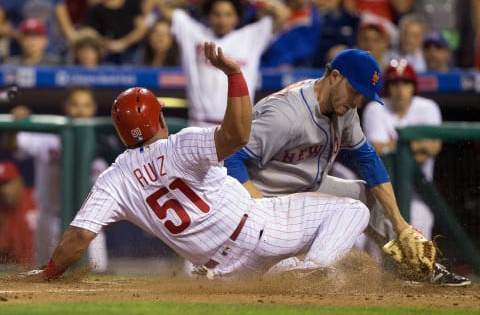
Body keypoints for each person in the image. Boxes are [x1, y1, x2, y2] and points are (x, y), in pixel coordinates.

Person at [21, 42, 370, 282]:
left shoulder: (115, 178)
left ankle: (298, 272)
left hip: (227, 269)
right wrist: (235, 75)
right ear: (159, 118)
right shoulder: (181, 144)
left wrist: (50, 272)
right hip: (260, 229)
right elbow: (237, 135)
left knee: (285, 269)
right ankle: (311, 271)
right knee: (354, 211)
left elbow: (79, 236)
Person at [223, 48, 471, 286]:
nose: (357, 101)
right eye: (354, 91)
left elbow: (367, 158)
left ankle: (420, 267)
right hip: (262, 197)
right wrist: (261, 210)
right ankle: (302, 271)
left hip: (306, 186)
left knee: (365, 197)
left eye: (362, 96)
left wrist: (400, 224)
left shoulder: (343, 107)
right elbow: (230, 157)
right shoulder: (286, 116)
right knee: (254, 270)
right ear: (334, 76)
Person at [157, 0, 290, 126]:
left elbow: (283, 14)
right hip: (200, 125)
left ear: (237, 17)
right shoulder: (193, 33)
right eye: (216, 14)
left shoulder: (250, 36)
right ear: (208, 15)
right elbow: (163, 5)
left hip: (238, 127)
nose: (222, 20)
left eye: (228, 14)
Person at [11, 86, 109, 273]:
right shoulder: (49, 137)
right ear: (65, 106)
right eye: (75, 104)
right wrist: (16, 125)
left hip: (89, 221)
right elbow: (13, 144)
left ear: (94, 108)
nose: (80, 110)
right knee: (44, 274)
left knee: (96, 274)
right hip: (50, 218)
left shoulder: (104, 141)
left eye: (86, 105)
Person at [362, 59, 441, 243]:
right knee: (379, 247)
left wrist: (393, 147)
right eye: (395, 83)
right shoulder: (376, 108)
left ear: (413, 86)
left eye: (405, 82)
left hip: (418, 194)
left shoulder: (427, 108)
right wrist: (411, 146)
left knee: (418, 239)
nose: (400, 89)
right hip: (382, 194)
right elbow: (377, 152)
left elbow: (432, 148)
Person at [0, 160, 37, 266]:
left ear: (19, 181)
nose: (3, 190)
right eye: (0, 185)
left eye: (7, 183)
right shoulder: (2, 211)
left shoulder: (37, 199)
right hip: (20, 274)